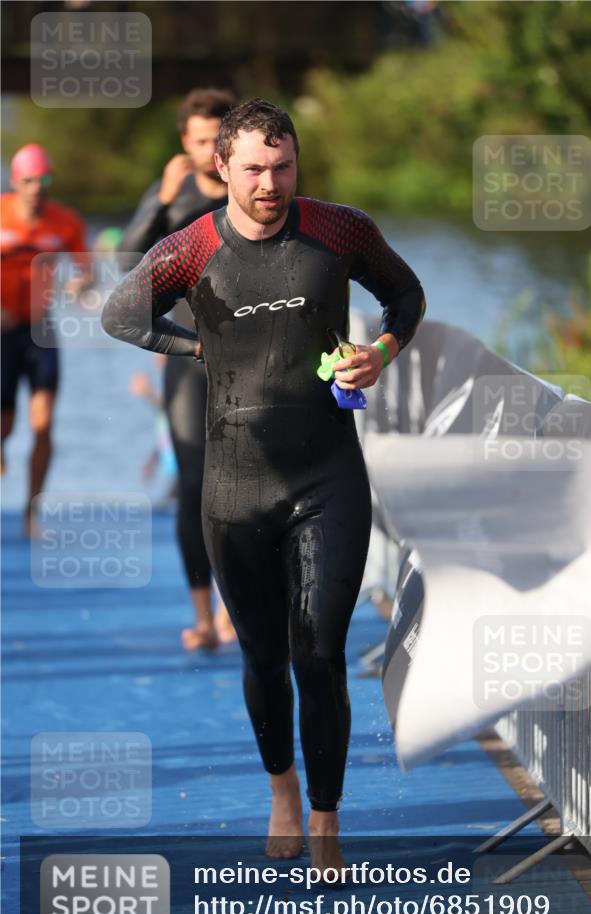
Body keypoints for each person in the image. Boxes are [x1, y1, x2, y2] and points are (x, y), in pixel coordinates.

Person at [102, 98, 425, 874]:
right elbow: (120, 314)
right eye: (253, 169)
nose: (270, 184)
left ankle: (325, 818)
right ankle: (282, 791)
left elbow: (406, 297)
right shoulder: (190, 248)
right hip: (235, 486)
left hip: (327, 477)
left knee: (319, 652)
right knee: (264, 658)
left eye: (283, 167)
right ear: (221, 167)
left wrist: (380, 352)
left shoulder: (338, 230)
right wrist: (196, 348)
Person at [118, 87, 237, 651]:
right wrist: (162, 201)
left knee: (248, 484)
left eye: (218, 139)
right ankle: (203, 616)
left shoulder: (253, 188)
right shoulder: (172, 192)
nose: (209, 150)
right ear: (184, 143)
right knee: (194, 485)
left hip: (250, 354)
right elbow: (126, 266)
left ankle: (236, 607)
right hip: (189, 354)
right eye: (199, 140)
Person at [1, 144, 93, 536]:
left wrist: (80, 283)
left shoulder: (65, 221)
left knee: (43, 424)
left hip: (40, 330)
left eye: (44, 180)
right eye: (29, 181)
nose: (36, 188)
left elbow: (87, 269)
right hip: (2, 332)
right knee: (5, 426)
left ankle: (32, 513)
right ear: (14, 182)